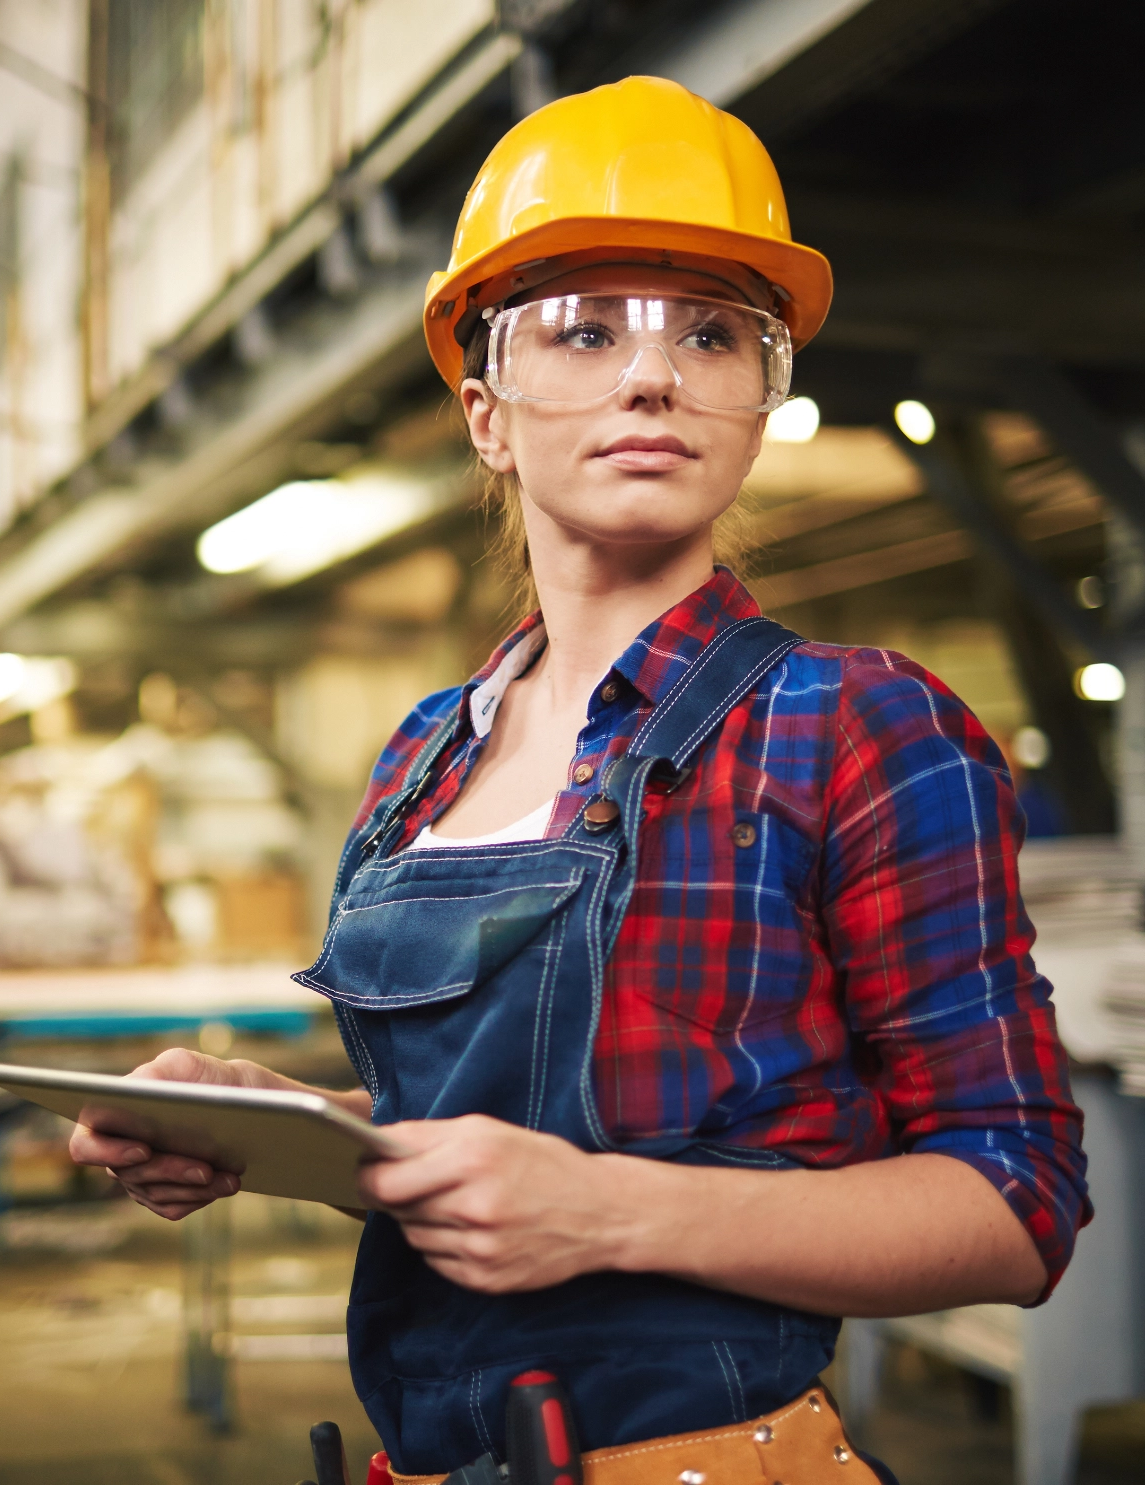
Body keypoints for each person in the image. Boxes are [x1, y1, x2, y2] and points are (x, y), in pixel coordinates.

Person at [72, 75, 1088, 1485]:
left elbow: (1015, 1204)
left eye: (715, 334)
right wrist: (271, 1130)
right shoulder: (428, 754)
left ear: (758, 401)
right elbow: (506, 1140)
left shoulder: (852, 725)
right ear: (487, 413)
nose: (653, 374)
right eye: (586, 330)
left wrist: (614, 1216)